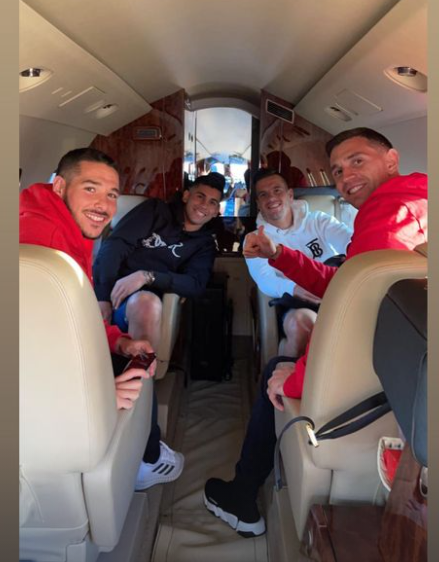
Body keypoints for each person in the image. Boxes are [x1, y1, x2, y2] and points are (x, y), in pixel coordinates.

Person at [204, 127, 427, 537]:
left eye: (357, 161)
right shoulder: (415, 204)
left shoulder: (386, 216)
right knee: (298, 325)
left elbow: (355, 307)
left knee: (277, 369)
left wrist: (301, 374)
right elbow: (348, 284)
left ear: (392, 160)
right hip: (393, 372)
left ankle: (241, 496)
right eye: (338, 170)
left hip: (380, 384)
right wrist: (281, 257)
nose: (345, 177)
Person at [19, 147, 184, 489]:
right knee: (137, 379)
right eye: (90, 188)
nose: (104, 205)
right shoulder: (41, 242)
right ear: (60, 187)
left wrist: (118, 340)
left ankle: (147, 447)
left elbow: (69, 321)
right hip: (40, 393)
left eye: (111, 194)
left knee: (136, 359)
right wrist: (94, 394)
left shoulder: (66, 228)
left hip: (58, 363)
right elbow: (25, 352)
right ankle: (145, 462)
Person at [93, 172, 225, 351]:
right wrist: (102, 297)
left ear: (216, 211)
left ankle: (141, 375)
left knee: (146, 303)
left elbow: (195, 284)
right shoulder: (155, 211)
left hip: (147, 302)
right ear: (186, 196)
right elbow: (115, 246)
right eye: (200, 196)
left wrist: (147, 277)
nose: (204, 205)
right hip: (112, 292)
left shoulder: (204, 243)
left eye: (212, 202)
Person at [245, 168, 352, 357]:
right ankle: (290, 382)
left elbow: (351, 243)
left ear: (290, 195)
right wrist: (295, 288)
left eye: (277, 190)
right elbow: (265, 280)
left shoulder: (319, 221)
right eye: (264, 195)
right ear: (258, 204)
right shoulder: (255, 238)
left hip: (334, 292)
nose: (271, 198)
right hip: (295, 302)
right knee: (301, 323)